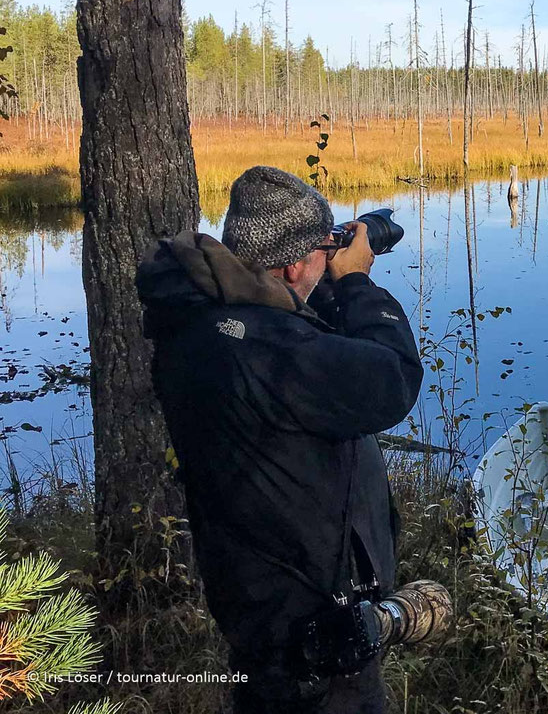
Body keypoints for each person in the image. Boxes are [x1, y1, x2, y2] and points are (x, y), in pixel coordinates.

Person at [136, 165, 423, 713]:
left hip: (260, 610)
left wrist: (326, 289)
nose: (331, 258)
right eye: (323, 249)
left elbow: (300, 342)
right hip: (314, 643)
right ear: (294, 264)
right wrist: (358, 282)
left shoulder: (205, 321)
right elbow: (392, 379)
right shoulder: (272, 351)